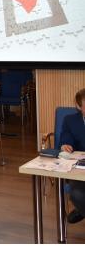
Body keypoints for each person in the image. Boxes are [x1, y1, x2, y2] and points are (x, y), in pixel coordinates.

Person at [60, 88, 85, 224]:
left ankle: (81, 210)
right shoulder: (70, 120)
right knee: (77, 194)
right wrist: (66, 145)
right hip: (79, 170)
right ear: (78, 106)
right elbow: (66, 140)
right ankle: (82, 208)